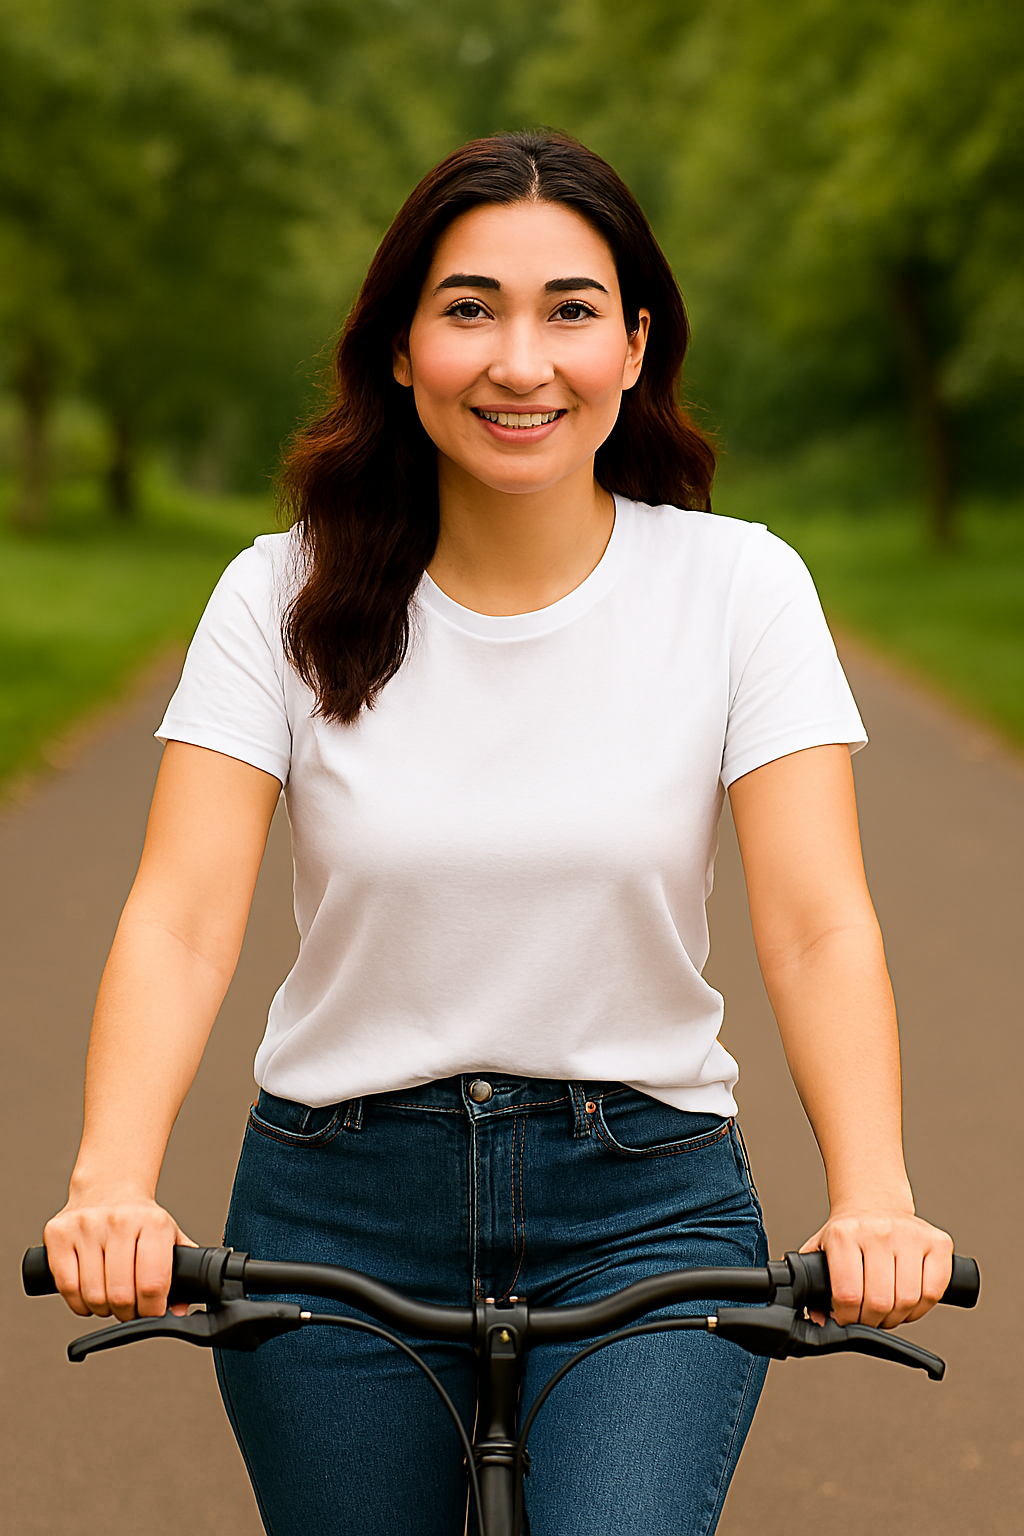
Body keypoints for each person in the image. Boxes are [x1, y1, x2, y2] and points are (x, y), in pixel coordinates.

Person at [43, 131, 954, 1535]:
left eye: (569, 311)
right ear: (400, 348)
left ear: (634, 347)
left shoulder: (737, 588)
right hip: (335, 1202)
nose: (520, 363)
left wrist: (874, 1196)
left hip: (644, 1204)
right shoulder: (278, 594)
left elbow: (817, 923)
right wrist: (111, 1180)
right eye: (469, 309)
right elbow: (181, 918)